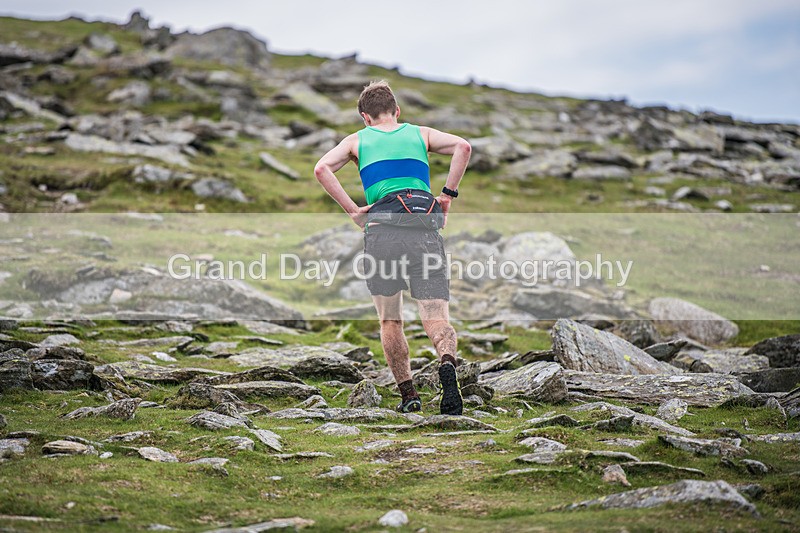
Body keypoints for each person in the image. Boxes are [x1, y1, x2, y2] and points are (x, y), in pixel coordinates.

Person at [313, 80, 472, 415]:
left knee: (390, 320)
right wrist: (446, 196)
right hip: (423, 225)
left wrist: (354, 211)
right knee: (434, 315)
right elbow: (463, 147)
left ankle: (409, 395)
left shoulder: (356, 140)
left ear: (365, 117)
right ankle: (446, 360)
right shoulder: (420, 133)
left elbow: (321, 168)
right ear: (397, 111)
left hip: (382, 229)